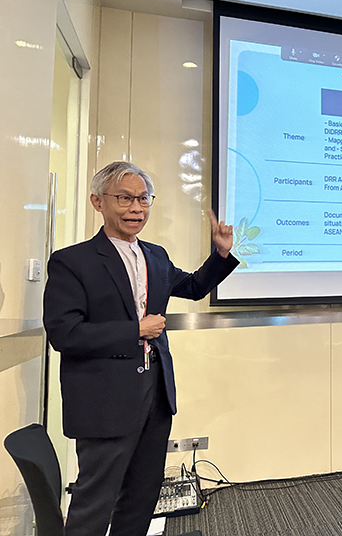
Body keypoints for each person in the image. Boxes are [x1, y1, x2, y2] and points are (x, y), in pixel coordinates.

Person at [43, 161, 239, 536]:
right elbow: (65, 334)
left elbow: (195, 287)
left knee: (143, 494)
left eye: (144, 199)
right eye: (125, 198)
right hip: (104, 400)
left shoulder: (155, 255)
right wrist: (136, 330)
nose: (137, 208)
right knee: (96, 498)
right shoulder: (73, 262)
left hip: (155, 395)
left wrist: (220, 255)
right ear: (97, 202)